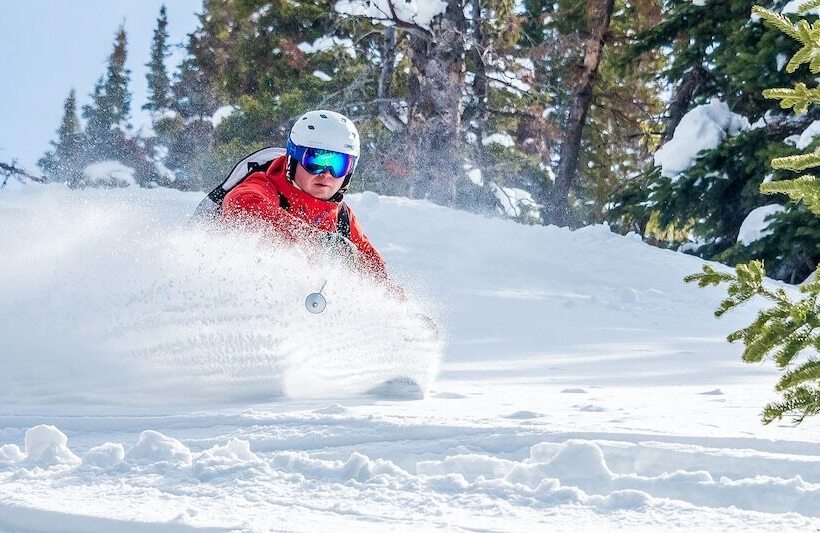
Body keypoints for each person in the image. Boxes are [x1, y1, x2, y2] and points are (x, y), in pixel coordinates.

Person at [221, 110, 399, 292]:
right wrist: (313, 239)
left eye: (339, 165)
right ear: (294, 158)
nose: (327, 174)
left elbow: (373, 267)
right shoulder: (266, 185)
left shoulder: (341, 217)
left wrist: (404, 313)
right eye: (316, 161)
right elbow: (241, 204)